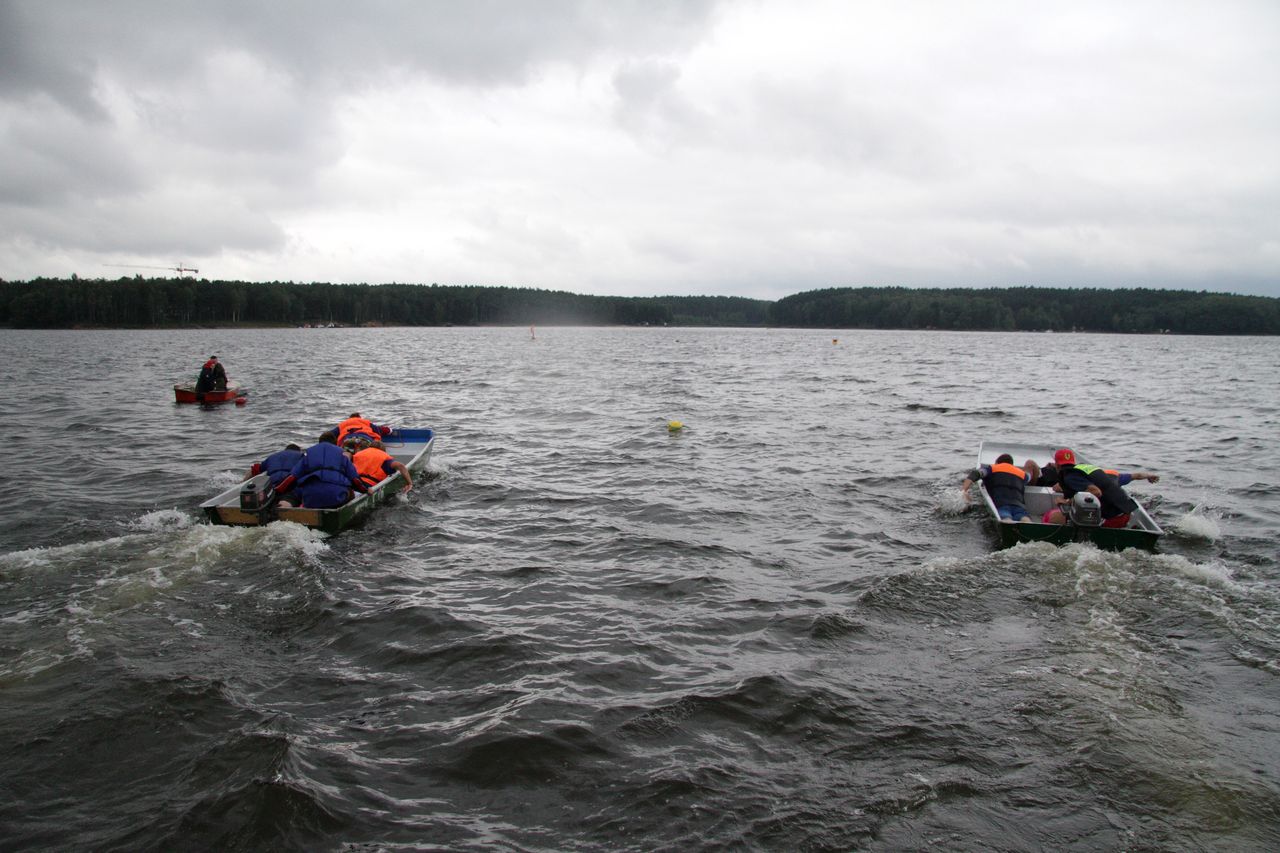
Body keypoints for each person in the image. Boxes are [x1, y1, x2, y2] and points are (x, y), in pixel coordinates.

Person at [1051, 447, 1159, 528]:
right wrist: (1149, 476)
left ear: (1057, 465)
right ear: (1073, 462)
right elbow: (1136, 476)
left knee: (1054, 518)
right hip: (1126, 514)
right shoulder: (1100, 473)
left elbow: (1096, 492)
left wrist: (1067, 502)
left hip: (1112, 519)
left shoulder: (1070, 477)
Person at [272, 433, 369, 509]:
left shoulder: (309, 454)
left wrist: (277, 490)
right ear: (335, 444)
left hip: (311, 499)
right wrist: (365, 490)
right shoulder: (342, 454)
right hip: (336, 498)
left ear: (319, 442)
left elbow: (292, 477)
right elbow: (355, 479)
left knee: (297, 491)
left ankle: (287, 507)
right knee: (349, 490)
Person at [961, 453, 1036, 523]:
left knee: (1006, 518)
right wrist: (1030, 464)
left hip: (1001, 504)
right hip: (1019, 505)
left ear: (997, 462)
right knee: (1024, 518)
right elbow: (1030, 474)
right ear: (1011, 464)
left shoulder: (992, 469)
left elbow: (975, 473)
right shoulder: (1022, 474)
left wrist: (964, 490)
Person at [326, 413, 392, 446]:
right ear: (359, 418)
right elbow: (379, 430)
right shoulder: (365, 422)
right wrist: (389, 430)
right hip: (364, 439)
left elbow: (330, 435)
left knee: (347, 452)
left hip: (347, 440)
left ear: (349, 418)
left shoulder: (342, 424)